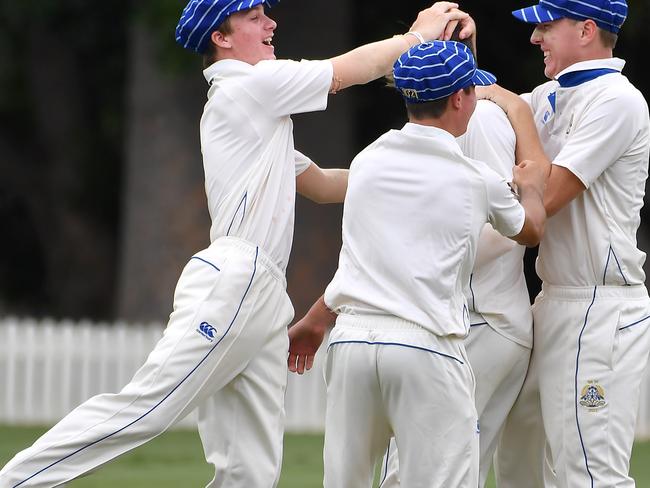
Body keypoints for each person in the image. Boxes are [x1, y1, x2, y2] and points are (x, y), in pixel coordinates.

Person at [0, 2, 474, 487]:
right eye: (254, 18)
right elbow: (343, 72)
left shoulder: (257, 118)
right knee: (147, 407)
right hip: (236, 278)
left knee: (249, 470)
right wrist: (417, 37)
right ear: (222, 39)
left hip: (265, 294)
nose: (271, 25)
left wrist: (419, 169)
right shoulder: (245, 87)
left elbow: (329, 185)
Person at [288, 40, 547, 487]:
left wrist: (316, 319)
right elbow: (531, 230)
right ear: (460, 99)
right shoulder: (475, 178)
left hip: (351, 344)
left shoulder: (369, 162)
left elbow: (359, 258)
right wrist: (533, 183)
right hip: (425, 347)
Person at [480, 0, 650, 486]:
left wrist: (513, 105)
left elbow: (547, 196)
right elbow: (474, 104)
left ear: (587, 30)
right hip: (552, 301)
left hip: (600, 306)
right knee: (518, 464)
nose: (535, 39)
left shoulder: (616, 99)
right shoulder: (550, 95)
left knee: (589, 472)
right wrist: (458, 45)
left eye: (547, 27)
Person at [377, 95, 535, 488]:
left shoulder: (479, 117)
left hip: (480, 320)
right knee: (457, 470)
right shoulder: (464, 116)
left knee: (414, 470)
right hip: (481, 321)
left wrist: (416, 267)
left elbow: (506, 230)